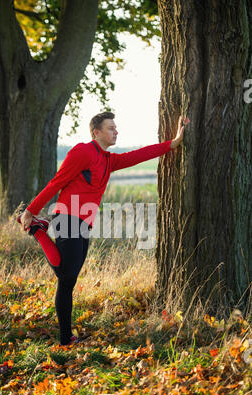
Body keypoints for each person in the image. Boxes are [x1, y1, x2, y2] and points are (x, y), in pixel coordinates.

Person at [18, 112, 189, 346]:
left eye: (116, 128)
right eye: (111, 128)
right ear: (96, 132)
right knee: (66, 275)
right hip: (67, 215)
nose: (116, 131)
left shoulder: (108, 160)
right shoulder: (82, 151)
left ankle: (66, 338)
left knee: (68, 281)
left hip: (84, 222)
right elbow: (57, 182)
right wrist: (31, 210)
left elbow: (139, 155)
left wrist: (172, 144)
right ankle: (38, 231)